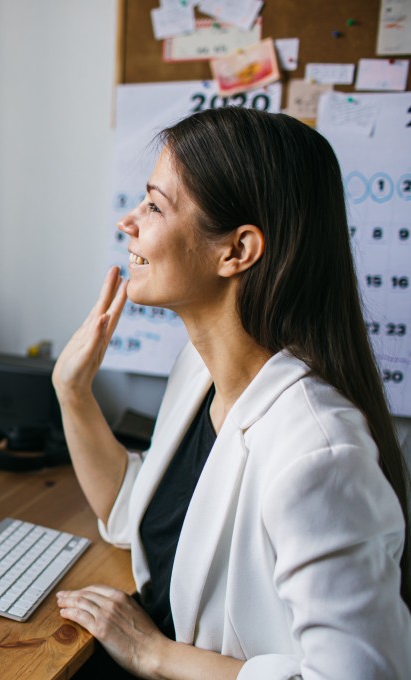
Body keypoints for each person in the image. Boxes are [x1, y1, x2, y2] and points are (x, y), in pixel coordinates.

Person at [51, 108, 411, 679]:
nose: (130, 222)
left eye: (154, 205)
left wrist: (155, 654)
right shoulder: (198, 372)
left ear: (237, 251)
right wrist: (72, 392)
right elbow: (132, 514)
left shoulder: (319, 454)